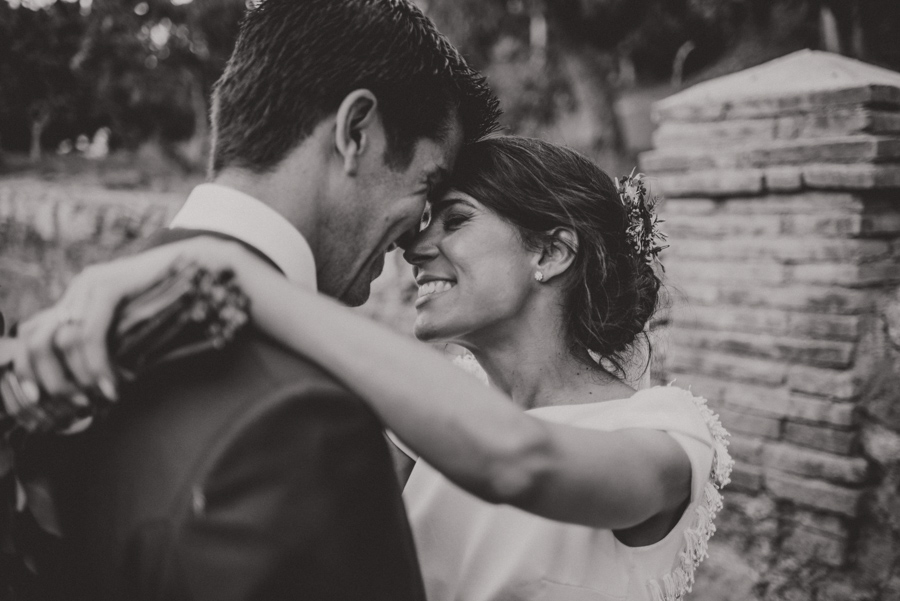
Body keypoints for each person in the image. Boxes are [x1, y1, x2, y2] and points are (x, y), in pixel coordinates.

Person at [10, 136, 733, 601]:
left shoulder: (670, 432)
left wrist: (238, 276)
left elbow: (521, 461)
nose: (413, 252)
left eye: (455, 221)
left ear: (550, 253)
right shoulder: (428, 422)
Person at [0, 1, 500, 599]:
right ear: (356, 133)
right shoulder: (298, 421)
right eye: (428, 186)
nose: (416, 236)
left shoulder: (51, 349)